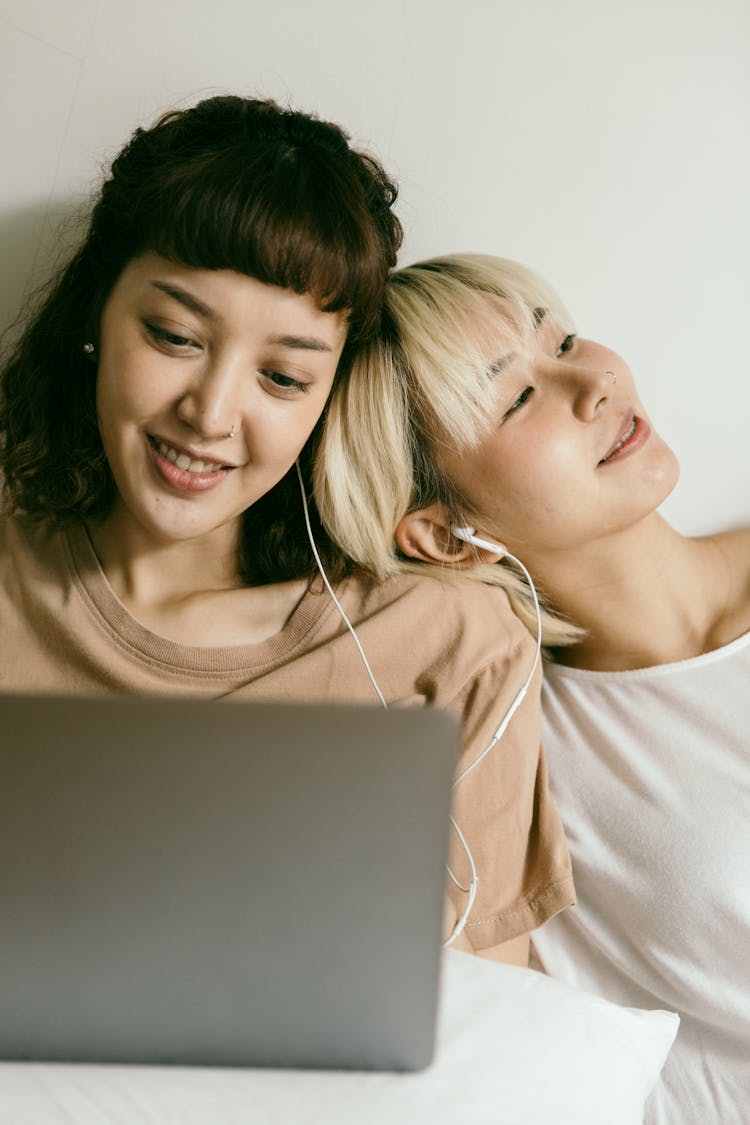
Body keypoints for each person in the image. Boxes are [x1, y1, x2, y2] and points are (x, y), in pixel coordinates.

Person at [0, 105, 574, 962]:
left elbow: (490, 1015)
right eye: (173, 335)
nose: (210, 413)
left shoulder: (445, 644)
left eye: (282, 375)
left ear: (330, 399)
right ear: (96, 315)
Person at [318, 251, 750, 1122]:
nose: (593, 381)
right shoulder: (510, 765)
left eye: (566, 340)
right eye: (516, 395)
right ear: (446, 536)